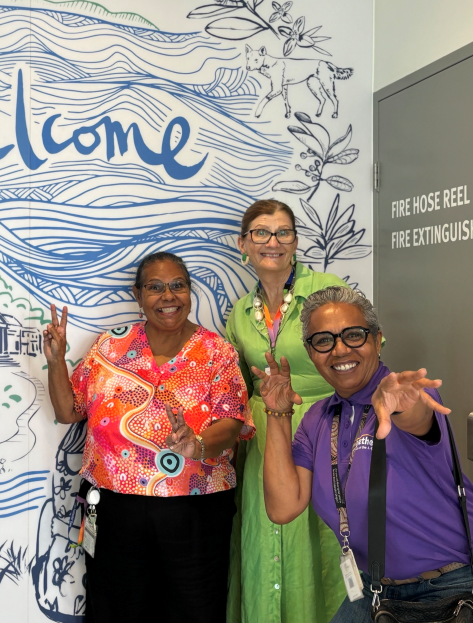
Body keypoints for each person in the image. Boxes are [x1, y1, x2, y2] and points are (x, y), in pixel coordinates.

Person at [44, 251, 254, 623]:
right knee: (115, 609)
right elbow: (68, 411)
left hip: (194, 511)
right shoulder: (110, 346)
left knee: (194, 610)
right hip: (114, 510)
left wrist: (197, 445)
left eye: (178, 285)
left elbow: (233, 423)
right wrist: (57, 359)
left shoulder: (217, 353)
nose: (168, 296)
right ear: (138, 295)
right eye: (155, 287)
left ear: (190, 292)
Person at [258, 286, 473, 622]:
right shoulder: (317, 418)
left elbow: (416, 416)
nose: (340, 350)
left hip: (447, 588)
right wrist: (278, 414)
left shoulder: (401, 396)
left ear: (377, 338)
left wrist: (399, 402)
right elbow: (283, 507)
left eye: (354, 335)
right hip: (372, 589)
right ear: (310, 351)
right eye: (324, 340)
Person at [225, 199, 348, 623]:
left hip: (326, 429)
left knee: (325, 542)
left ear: (295, 242)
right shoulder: (239, 313)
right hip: (264, 437)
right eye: (261, 232)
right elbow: (238, 383)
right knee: (267, 541)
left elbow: (364, 352)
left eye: (283, 232)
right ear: (243, 243)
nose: (272, 242)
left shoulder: (327, 289)